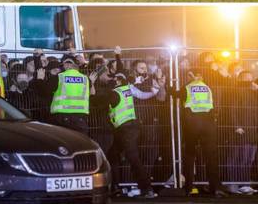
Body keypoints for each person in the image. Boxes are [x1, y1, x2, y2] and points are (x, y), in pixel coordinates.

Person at [93, 73, 158, 199]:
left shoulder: (115, 93)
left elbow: (97, 101)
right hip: (127, 128)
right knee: (113, 155)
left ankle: (146, 189)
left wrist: (91, 89)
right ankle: (115, 187)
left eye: (113, 79)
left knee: (133, 158)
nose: (111, 81)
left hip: (126, 129)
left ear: (117, 81)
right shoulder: (126, 89)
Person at [169, 69, 228, 197]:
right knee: (211, 157)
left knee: (190, 156)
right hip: (209, 124)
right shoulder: (207, 87)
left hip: (192, 125)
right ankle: (216, 188)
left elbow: (175, 94)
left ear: (191, 76)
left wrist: (168, 86)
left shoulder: (188, 87)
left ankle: (189, 188)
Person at [47, 54, 90, 135]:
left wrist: (40, 79)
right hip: (81, 116)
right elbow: (92, 92)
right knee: (80, 143)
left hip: (62, 116)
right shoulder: (85, 78)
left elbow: (45, 91)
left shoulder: (59, 77)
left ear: (65, 66)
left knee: (64, 142)